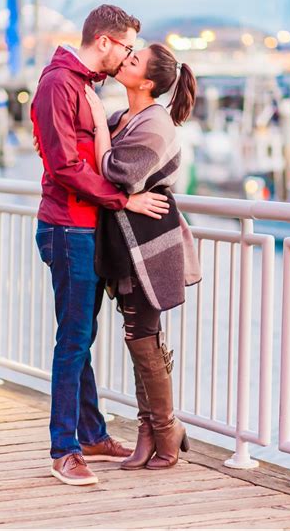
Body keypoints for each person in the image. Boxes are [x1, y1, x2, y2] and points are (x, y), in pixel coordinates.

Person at [31, 5, 170, 486]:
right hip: (67, 227)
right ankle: (63, 449)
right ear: (105, 42)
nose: (129, 55)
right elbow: (66, 166)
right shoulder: (59, 85)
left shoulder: (84, 87)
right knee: (72, 341)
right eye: (127, 46)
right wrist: (124, 199)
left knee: (80, 338)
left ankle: (90, 433)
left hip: (85, 228)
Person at [84, 42, 201, 471]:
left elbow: (117, 172)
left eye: (133, 61)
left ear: (148, 82)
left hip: (150, 243)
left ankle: (164, 428)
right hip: (126, 240)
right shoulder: (124, 118)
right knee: (139, 333)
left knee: (142, 335)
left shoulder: (155, 125)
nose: (125, 60)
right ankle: (152, 431)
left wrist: (97, 126)